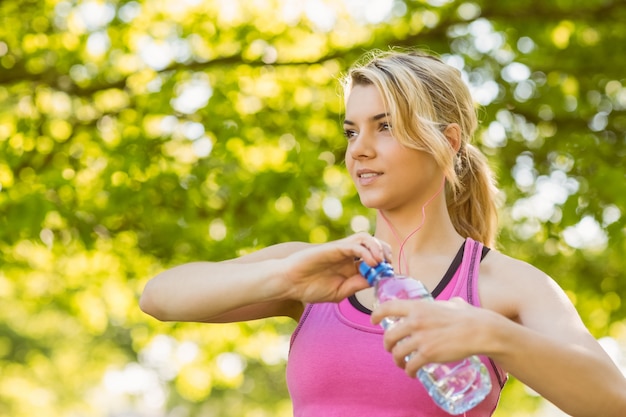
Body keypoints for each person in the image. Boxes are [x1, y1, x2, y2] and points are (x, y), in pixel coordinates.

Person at [140, 50, 626, 416]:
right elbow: (159, 297)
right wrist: (284, 277)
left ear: (448, 141)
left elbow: (612, 400)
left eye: (385, 127)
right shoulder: (313, 270)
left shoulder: (504, 285)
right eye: (351, 131)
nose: (359, 151)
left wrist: (494, 335)